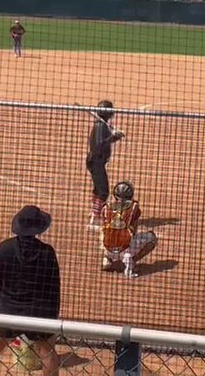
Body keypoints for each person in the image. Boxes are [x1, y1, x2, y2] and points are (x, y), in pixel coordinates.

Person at [0, 205, 61, 376]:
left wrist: (3, 307)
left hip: (9, 309)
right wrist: (51, 317)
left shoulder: (5, 248)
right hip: (38, 312)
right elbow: (53, 288)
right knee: (48, 353)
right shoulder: (47, 252)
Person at [100, 181, 158, 279]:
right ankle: (132, 261)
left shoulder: (106, 207)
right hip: (125, 248)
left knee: (106, 232)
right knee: (152, 238)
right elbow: (133, 231)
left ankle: (107, 258)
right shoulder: (134, 207)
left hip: (107, 247)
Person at [86, 100, 125, 229]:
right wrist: (114, 137)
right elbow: (99, 144)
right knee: (103, 191)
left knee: (99, 189)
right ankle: (95, 217)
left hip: (97, 162)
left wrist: (113, 136)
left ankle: (96, 213)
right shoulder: (100, 126)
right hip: (96, 162)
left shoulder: (102, 125)